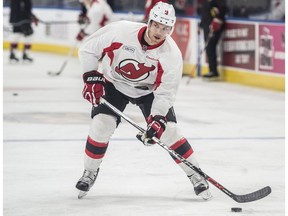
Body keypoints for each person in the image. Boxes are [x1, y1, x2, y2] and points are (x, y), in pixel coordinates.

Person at [75, 2, 212, 200]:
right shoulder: (121, 31)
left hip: (149, 93)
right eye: (157, 25)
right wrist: (91, 77)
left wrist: (157, 120)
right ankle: (89, 172)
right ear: (149, 22)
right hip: (114, 83)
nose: (159, 31)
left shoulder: (171, 54)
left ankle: (196, 175)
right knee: (101, 124)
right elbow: (88, 49)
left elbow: (165, 93)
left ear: (171, 29)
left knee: (170, 131)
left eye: (165, 28)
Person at [199, 0, 226, 79]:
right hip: (206, 28)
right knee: (208, 49)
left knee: (211, 48)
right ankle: (212, 70)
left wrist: (216, 23)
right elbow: (204, 15)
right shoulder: (205, 3)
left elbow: (220, 15)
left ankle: (214, 71)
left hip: (213, 30)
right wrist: (201, 25)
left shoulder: (217, 3)